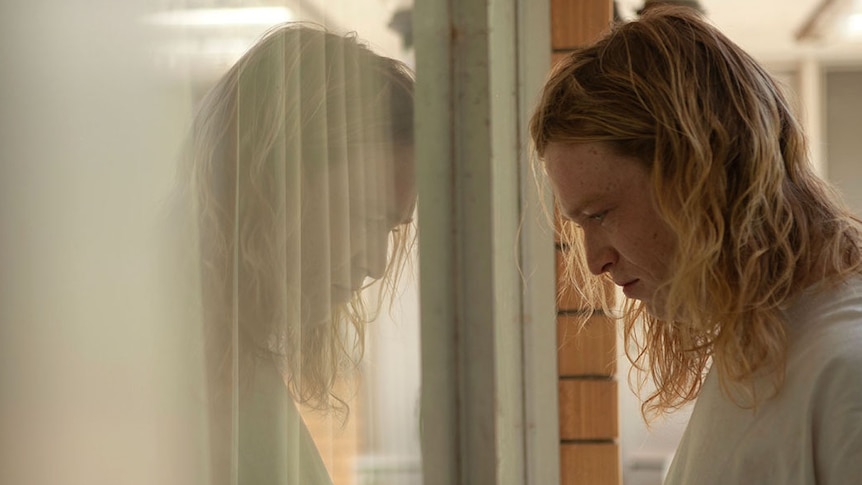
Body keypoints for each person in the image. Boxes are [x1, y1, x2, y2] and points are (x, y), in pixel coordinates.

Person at [529, 6, 862, 484]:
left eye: (601, 214)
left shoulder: (844, 371)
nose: (594, 261)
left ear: (697, 177)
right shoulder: (764, 345)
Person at [173, 23, 416, 484]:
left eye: (390, 228)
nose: (377, 263)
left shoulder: (234, 365)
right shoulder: (148, 369)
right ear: (271, 189)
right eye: (363, 216)